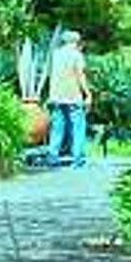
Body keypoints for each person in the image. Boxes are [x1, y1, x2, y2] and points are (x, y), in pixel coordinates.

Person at [46, 29, 93, 168]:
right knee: (78, 127)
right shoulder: (76, 55)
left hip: (56, 97)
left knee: (57, 128)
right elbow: (80, 75)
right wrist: (88, 94)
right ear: (77, 42)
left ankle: (52, 157)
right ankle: (77, 159)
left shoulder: (56, 54)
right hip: (72, 97)